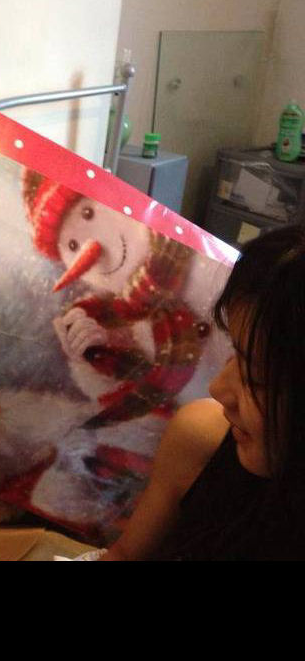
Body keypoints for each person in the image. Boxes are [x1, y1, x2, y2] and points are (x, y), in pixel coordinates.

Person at [99, 224, 305, 560]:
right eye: (235, 353)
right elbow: (125, 555)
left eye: (256, 377)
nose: (218, 388)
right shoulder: (201, 441)